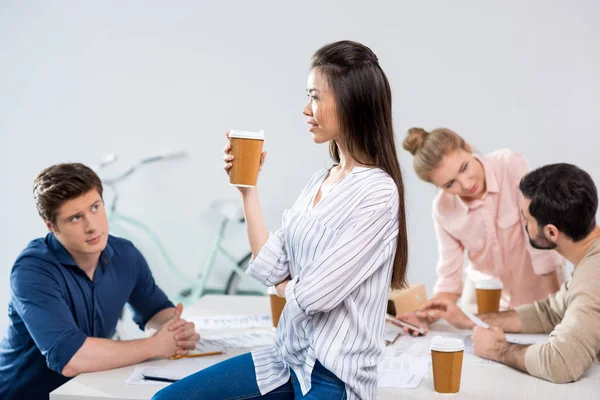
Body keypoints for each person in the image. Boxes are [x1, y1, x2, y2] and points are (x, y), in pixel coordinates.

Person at [153, 40, 408, 400]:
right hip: (286, 359)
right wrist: (248, 190)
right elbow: (270, 266)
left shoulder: (378, 193)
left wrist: (285, 287)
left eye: (316, 97)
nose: (306, 109)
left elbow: (314, 296)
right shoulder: (319, 181)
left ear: (351, 102)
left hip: (332, 376)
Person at [0, 163, 199, 399]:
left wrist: (174, 331)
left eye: (95, 207)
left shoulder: (125, 254)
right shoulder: (32, 271)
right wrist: (157, 345)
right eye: (75, 218)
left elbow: (155, 310)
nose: (91, 226)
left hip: (87, 389)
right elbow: (71, 358)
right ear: (51, 226)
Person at [420, 163, 600, 383]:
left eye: (526, 219)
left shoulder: (592, 275)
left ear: (551, 232)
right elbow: (550, 312)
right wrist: (470, 319)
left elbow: (561, 363)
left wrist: (498, 349)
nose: (523, 223)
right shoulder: (590, 261)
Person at [397, 128, 564, 335]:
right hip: (484, 301)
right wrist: (423, 317)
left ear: (467, 146)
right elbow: (449, 277)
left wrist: (557, 305)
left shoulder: (510, 165)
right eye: (450, 184)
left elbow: (540, 240)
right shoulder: (443, 209)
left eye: (464, 167)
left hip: (538, 294)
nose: (466, 184)